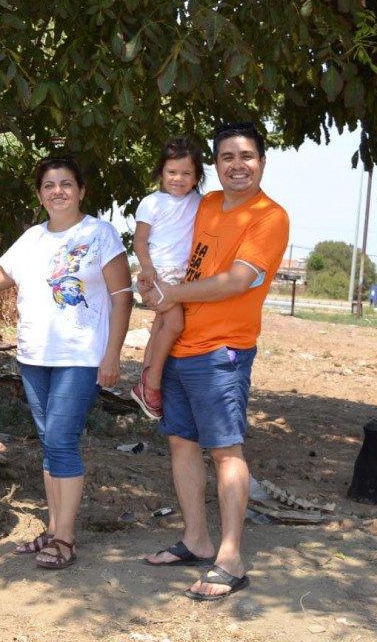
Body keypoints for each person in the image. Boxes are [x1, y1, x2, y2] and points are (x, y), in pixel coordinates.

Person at [139, 122, 289, 601]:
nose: (237, 165)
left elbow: (237, 280)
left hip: (222, 349)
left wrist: (170, 293)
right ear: (216, 165)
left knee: (226, 451)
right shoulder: (203, 204)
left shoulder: (269, 217)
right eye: (227, 157)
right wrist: (152, 284)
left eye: (246, 155)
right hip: (182, 345)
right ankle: (196, 539)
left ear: (261, 161)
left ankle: (230, 557)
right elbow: (164, 241)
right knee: (182, 444)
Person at [0, 156, 132, 569]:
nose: (58, 191)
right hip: (34, 356)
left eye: (66, 183)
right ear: (40, 194)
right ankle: (53, 528)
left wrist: (113, 353)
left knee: (62, 441)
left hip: (81, 358)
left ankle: (65, 538)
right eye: (49, 185)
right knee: (51, 444)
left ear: (81, 191)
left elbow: (123, 297)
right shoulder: (31, 238)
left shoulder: (100, 234)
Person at [130, 137, 205, 420]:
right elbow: (140, 241)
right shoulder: (152, 203)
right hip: (160, 276)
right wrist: (147, 268)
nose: (178, 179)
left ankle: (144, 382)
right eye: (172, 172)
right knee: (175, 324)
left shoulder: (199, 202)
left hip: (183, 279)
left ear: (197, 176)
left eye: (187, 173)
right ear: (161, 172)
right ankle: (152, 384)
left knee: (161, 326)